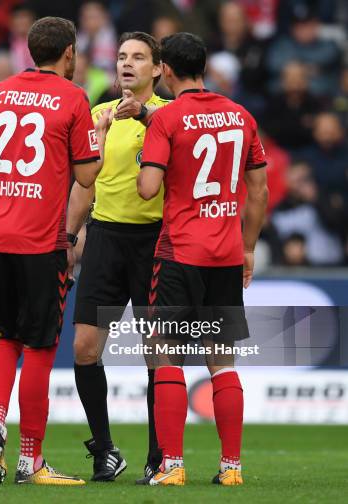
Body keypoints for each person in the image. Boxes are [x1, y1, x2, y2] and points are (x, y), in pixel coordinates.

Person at [0, 16, 103, 485]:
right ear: (68, 54)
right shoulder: (75, 97)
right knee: (39, 345)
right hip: (39, 241)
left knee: (5, 337)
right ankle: (29, 460)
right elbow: (85, 175)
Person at [137, 32, 268, 486]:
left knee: (166, 354)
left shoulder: (167, 119)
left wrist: (148, 159)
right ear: (204, 67)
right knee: (222, 360)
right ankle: (231, 468)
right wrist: (248, 246)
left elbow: (148, 189)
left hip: (179, 252)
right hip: (227, 254)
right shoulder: (241, 116)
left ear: (165, 70)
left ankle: (172, 465)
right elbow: (259, 191)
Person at [66, 31, 169, 483]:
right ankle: (105, 450)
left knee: (156, 353)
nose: (127, 64)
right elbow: (84, 182)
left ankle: (158, 455)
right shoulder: (97, 114)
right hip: (106, 238)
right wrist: (69, 238)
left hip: (155, 240)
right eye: (123, 56)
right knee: (85, 349)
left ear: (159, 69)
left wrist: (144, 119)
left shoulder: (169, 116)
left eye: (139, 57)